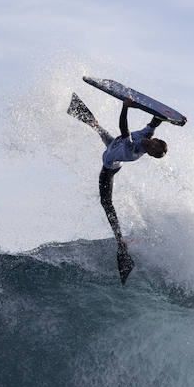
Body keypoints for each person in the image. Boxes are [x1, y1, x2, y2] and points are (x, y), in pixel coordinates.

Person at [69, 95, 168, 283]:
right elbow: (155, 121)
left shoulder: (134, 150)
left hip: (110, 166)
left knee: (106, 203)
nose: (152, 145)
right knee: (96, 127)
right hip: (113, 144)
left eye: (154, 151)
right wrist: (168, 117)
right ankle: (77, 109)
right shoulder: (147, 134)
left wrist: (126, 107)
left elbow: (124, 129)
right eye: (156, 144)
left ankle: (120, 242)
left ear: (152, 154)